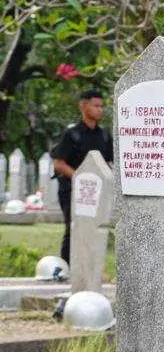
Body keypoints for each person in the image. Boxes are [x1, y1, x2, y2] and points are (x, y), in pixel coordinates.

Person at [50, 89, 113, 265]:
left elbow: (109, 163)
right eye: (96, 105)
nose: (100, 109)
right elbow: (58, 163)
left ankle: (89, 266)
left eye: (102, 106)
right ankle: (67, 267)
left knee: (94, 229)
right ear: (83, 106)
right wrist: (80, 178)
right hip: (71, 190)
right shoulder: (72, 134)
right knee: (73, 228)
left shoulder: (104, 135)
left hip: (97, 192)